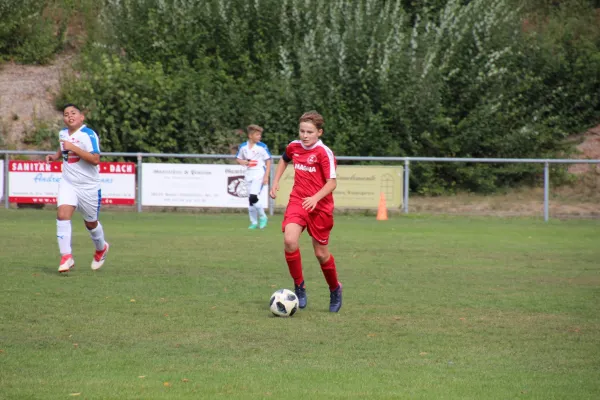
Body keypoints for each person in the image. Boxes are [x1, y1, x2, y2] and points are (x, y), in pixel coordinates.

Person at [269, 111, 342, 312]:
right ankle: (299, 287)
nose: (305, 135)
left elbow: (332, 183)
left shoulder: (324, 153)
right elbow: (284, 159)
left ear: (319, 132)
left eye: (309, 132)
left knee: (321, 254)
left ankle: (335, 288)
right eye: (302, 131)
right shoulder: (294, 146)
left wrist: (315, 198)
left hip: (320, 207)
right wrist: (275, 182)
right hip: (298, 201)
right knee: (289, 241)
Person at [45, 104, 109, 273]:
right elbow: (63, 146)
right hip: (68, 183)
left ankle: (101, 248)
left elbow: (95, 160)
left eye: (73, 113)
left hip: (89, 186)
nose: (69, 116)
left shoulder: (88, 134)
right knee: (62, 215)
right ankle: (66, 256)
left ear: (82, 117)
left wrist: (73, 148)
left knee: (91, 223)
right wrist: (55, 156)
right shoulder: (63, 133)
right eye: (66, 114)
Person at [236, 124, 272, 229]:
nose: (259, 137)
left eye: (260, 135)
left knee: (253, 196)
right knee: (250, 200)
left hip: (259, 173)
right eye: (257, 135)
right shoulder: (243, 146)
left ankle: (263, 216)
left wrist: (266, 176)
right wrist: (243, 162)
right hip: (248, 174)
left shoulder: (262, 146)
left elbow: (268, 161)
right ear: (250, 136)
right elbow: (238, 158)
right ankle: (254, 222)